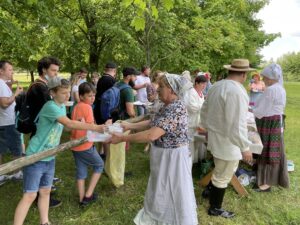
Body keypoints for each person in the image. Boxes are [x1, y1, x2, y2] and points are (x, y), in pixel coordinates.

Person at [13, 77, 106, 225]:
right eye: (63, 92)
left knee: (45, 191)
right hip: (36, 157)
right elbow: (68, 122)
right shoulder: (50, 106)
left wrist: (78, 124)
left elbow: (66, 127)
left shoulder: (62, 107)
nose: (67, 95)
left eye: (68, 92)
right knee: (30, 195)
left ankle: (45, 222)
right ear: (52, 93)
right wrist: (95, 127)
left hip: (50, 157)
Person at [111, 73, 198, 225]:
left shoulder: (176, 109)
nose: (157, 89)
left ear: (172, 90)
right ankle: (159, 216)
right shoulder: (167, 106)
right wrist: (129, 125)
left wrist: (123, 138)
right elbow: (153, 122)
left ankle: (174, 220)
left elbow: (152, 134)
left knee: (173, 189)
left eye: (162, 86)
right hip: (165, 155)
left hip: (173, 157)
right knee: (161, 187)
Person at [200, 59, 254, 218]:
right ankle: (215, 208)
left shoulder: (216, 85)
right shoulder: (237, 91)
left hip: (216, 136)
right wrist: (245, 147)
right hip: (228, 141)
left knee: (219, 168)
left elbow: (204, 110)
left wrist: (206, 127)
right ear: (244, 74)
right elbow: (237, 124)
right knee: (224, 174)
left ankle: (208, 191)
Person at [252, 63, 289, 192]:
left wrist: (251, 110)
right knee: (273, 150)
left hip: (270, 123)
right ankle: (265, 179)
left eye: (265, 77)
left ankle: (265, 184)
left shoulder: (272, 89)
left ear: (271, 78)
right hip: (275, 122)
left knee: (268, 151)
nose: (264, 80)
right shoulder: (279, 88)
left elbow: (262, 110)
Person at [70, 82, 105, 205]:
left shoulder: (76, 106)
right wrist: (105, 126)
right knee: (99, 165)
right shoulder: (87, 107)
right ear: (81, 96)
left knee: (81, 172)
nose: (92, 98)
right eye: (89, 96)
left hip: (74, 145)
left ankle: (81, 199)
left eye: (94, 95)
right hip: (85, 145)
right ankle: (88, 195)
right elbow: (92, 127)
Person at [0, 60, 23, 184]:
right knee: (17, 148)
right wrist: (16, 93)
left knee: (1, 149)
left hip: (3, 122)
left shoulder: (2, 83)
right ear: (1, 71)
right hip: (7, 123)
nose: (12, 72)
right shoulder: (1, 84)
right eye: (9, 69)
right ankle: (17, 173)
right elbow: (4, 104)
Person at [184, 75, 207, 163]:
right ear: (196, 83)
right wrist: (204, 107)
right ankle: (188, 162)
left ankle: (195, 160)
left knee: (198, 142)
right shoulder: (191, 92)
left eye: (205, 84)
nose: (204, 86)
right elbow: (192, 107)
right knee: (190, 143)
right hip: (190, 122)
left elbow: (200, 107)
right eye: (202, 84)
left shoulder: (201, 94)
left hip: (198, 122)